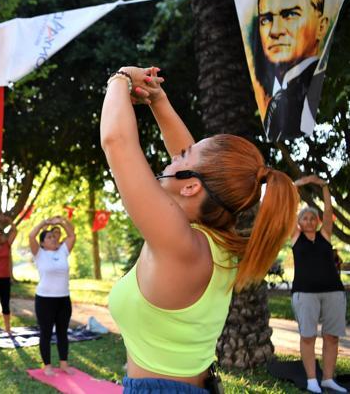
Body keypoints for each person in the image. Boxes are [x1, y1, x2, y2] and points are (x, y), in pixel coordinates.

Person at [102, 66, 299, 392]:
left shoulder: (180, 245)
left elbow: (117, 141)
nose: (175, 155)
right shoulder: (215, 235)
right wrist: (158, 100)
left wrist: (120, 78)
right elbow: (199, 170)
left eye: (184, 156)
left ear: (191, 187)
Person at [253, 0, 329, 141]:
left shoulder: (323, 87)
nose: (274, 31)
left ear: (321, 27)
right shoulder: (276, 94)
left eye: (290, 15)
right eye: (266, 19)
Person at [291, 175, 347, 393]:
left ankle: (328, 379)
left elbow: (328, 211)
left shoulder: (325, 235)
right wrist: (296, 186)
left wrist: (324, 186)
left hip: (333, 291)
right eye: (304, 218)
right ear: (299, 222)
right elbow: (288, 209)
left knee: (332, 336)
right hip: (305, 294)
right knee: (308, 337)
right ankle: (312, 380)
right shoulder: (296, 237)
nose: (309, 220)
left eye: (312, 217)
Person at [29, 216, 76, 376]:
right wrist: (44, 223)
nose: (54, 238)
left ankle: (64, 364)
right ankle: (47, 366)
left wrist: (61, 222)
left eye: (54, 236)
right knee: (46, 333)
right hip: (45, 300)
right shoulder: (39, 253)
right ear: (42, 243)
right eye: (49, 237)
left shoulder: (63, 251)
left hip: (63, 299)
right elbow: (31, 236)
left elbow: (72, 236)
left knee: (63, 332)